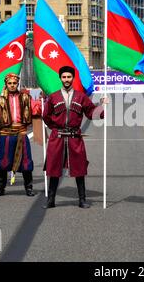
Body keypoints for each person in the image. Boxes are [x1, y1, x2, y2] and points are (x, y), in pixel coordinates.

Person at [42, 66, 107, 209]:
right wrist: (56, 128)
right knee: (54, 169)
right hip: (57, 137)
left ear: (73, 78)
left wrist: (102, 106)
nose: (66, 79)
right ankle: (51, 200)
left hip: (74, 137)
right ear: (60, 78)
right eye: (64, 77)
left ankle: (82, 200)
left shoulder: (81, 97)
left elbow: (91, 114)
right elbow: (46, 117)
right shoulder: (53, 97)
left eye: (69, 77)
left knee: (79, 168)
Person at [0, 73, 42, 197]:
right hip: (5, 134)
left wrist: (42, 102)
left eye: (14, 83)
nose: (12, 85)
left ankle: (29, 188)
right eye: (10, 83)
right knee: (2, 162)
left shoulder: (26, 97)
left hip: (21, 133)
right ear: (6, 84)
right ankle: (1, 188)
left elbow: (35, 110)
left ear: (17, 84)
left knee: (26, 162)